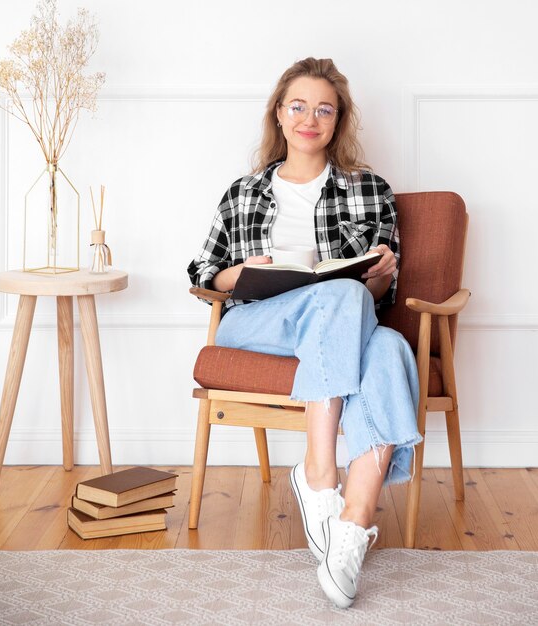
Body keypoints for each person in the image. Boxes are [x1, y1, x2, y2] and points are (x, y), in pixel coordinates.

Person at [188, 57, 421, 609]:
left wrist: (386, 272)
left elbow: (379, 290)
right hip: (256, 323)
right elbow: (202, 272)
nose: (309, 119)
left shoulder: (370, 190)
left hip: (340, 320)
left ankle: (351, 525)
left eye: (324, 109)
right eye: (298, 106)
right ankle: (320, 472)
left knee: (385, 342)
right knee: (341, 299)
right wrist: (239, 273)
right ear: (279, 112)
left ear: (338, 121)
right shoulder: (245, 192)